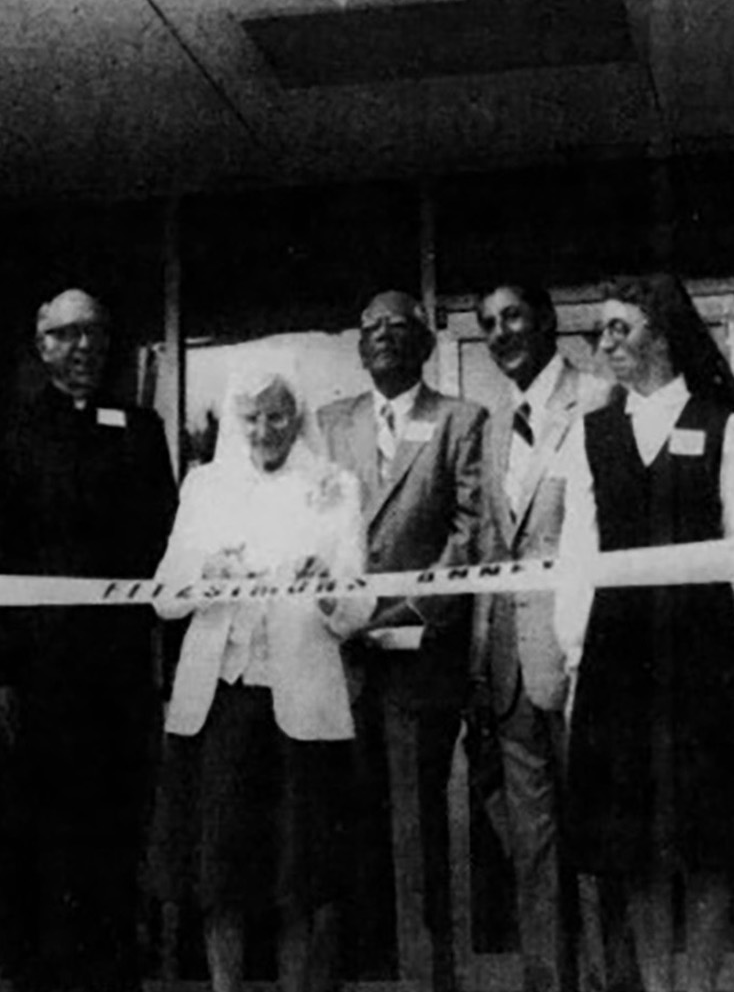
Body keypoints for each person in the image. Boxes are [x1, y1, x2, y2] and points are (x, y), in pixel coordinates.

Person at [554, 273, 734, 992]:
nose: (606, 343)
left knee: (712, 841)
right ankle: (657, 985)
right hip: (618, 660)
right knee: (636, 845)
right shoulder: (591, 434)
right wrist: (576, 657)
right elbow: (577, 553)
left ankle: (702, 984)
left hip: (708, 655)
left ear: (662, 331)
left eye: (620, 327)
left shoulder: (727, 429)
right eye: (602, 331)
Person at [150, 347, 373, 992]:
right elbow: (165, 597)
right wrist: (206, 579)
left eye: (278, 417)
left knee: (296, 881)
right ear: (233, 420)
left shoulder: (334, 487)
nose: (265, 432)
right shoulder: (204, 487)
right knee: (219, 879)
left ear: (296, 416)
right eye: (251, 419)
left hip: (299, 706)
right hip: (219, 704)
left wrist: (329, 587)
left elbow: (357, 606)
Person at [0, 287, 177, 991]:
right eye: (68, 335)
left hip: (119, 671)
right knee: (39, 833)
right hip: (39, 673)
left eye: (95, 332)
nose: (85, 347)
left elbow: (166, 540)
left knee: (115, 830)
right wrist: (0, 674)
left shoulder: (142, 427)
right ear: (42, 346)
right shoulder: (11, 430)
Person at [317, 290, 487, 992]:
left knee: (418, 836)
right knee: (339, 832)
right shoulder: (330, 423)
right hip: (339, 664)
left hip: (420, 662)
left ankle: (425, 980)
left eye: (398, 325)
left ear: (424, 341)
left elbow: (471, 531)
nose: (383, 335)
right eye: (370, 327)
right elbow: (313, 523)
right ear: (359, 347)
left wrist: (400, 613)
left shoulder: (460, 419)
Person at [470, 281, 611, 992]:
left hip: (582, 650)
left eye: (514, 316)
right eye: (488, 324)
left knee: (598, 846)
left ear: (548, 320)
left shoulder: (597, 397)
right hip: (509, 668)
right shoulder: (493, 425)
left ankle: (612, 981)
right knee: (533, 849)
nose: (501, 333)